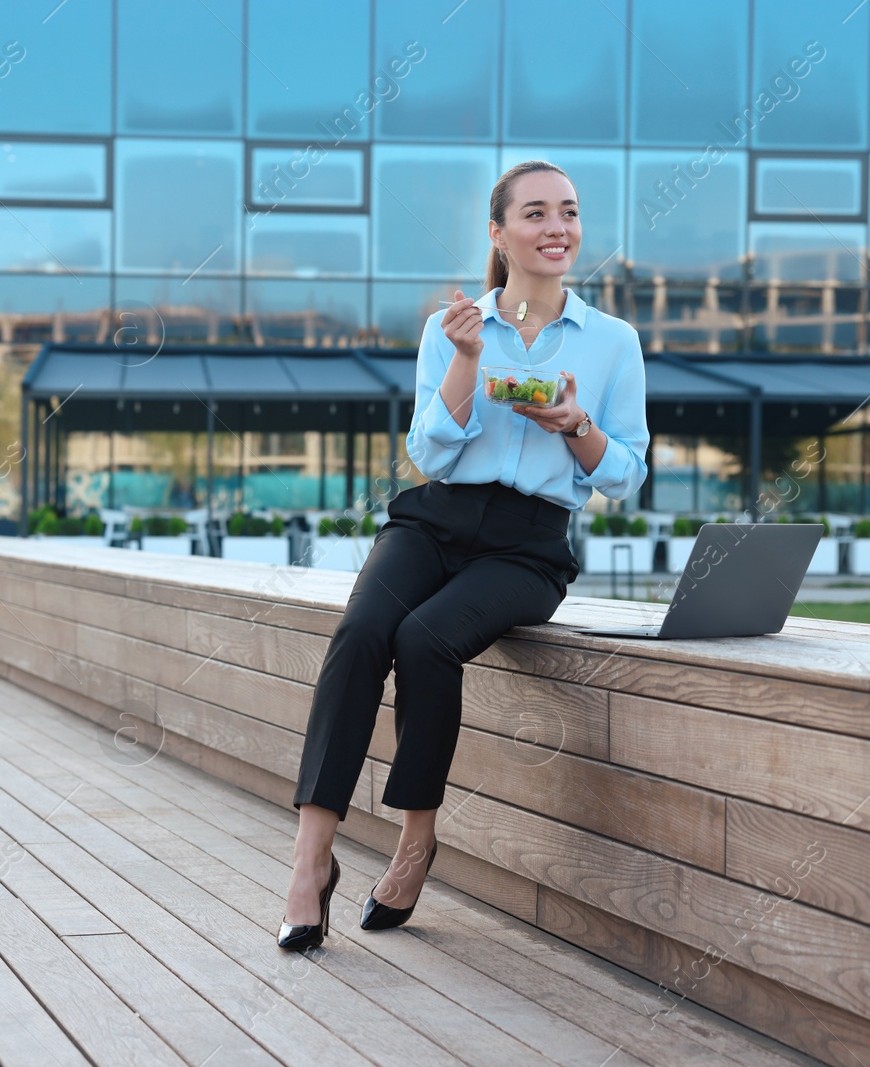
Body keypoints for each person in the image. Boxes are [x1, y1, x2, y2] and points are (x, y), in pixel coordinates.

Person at [277, 160, 650, 951]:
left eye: (570, 213)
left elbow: (626, 472)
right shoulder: (454, 329)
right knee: (362, 634)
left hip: (529, 543)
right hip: (434, 520)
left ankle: (415, 843)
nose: (558, 228)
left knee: (426, 638)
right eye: (537, 213)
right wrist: (468, 363)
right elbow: (429, 456)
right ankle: (310, 860)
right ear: (499, 233)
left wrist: (577, 423)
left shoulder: (615, 342)